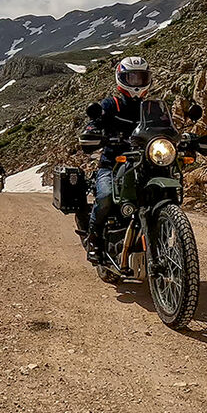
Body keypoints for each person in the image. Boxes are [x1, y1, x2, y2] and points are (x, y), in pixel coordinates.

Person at [81, 56, 152, 264]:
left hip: (145, 163)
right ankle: (93, 238)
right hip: (113, 164)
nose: (137, 83)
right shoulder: (111, 105)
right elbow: (94, 124)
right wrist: (94, 131)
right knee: (105, 195)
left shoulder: (150, 108)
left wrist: (182, 137)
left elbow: (166, 127)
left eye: (141, 78)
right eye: (132, 78)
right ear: (122, 78)